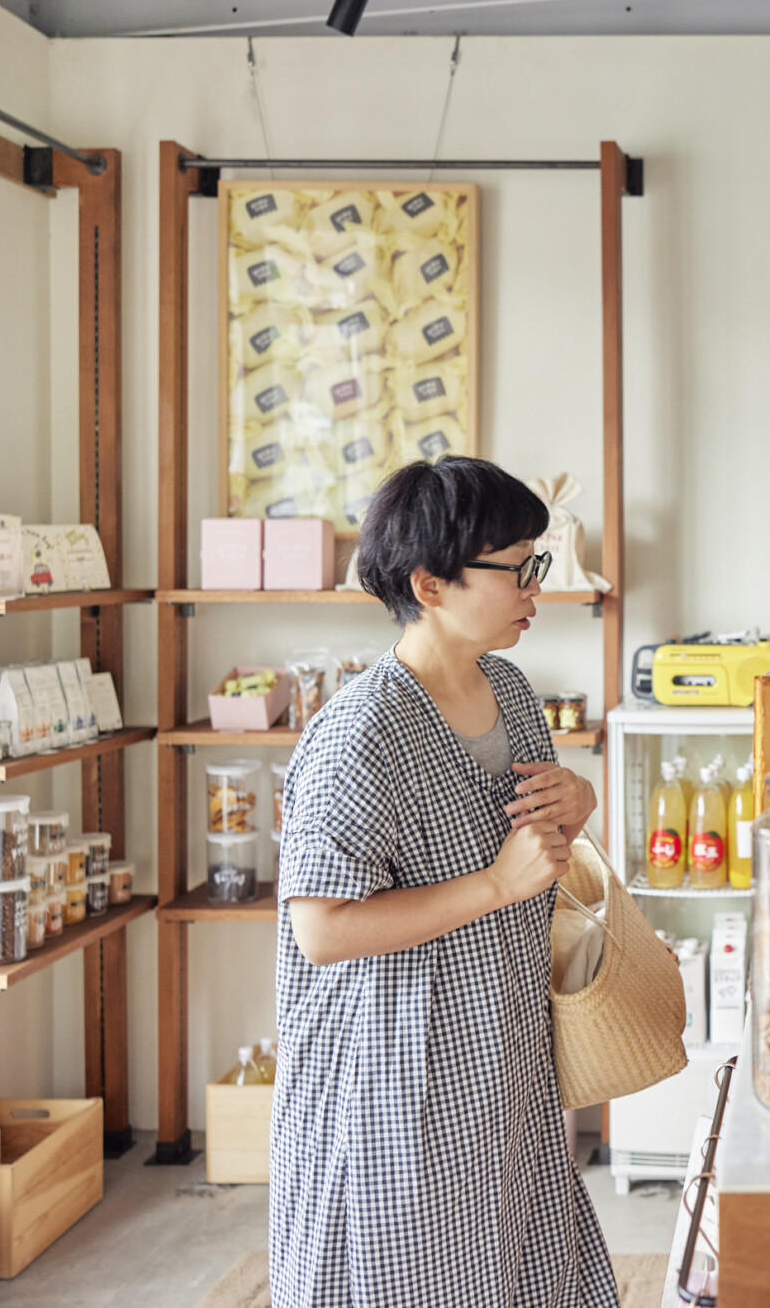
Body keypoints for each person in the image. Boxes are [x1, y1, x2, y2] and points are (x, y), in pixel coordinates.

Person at [269, 456, 617, 1308]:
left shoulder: (509, 687)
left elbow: (539, 843)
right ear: (430, 583)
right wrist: (497, 886)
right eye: (519, 567)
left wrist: (582, 799)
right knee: (408, 1276)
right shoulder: (360, 732)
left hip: (500, 1048)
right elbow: (322, 930)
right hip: (394, 1074)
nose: (537, 586)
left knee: (518, 1263)